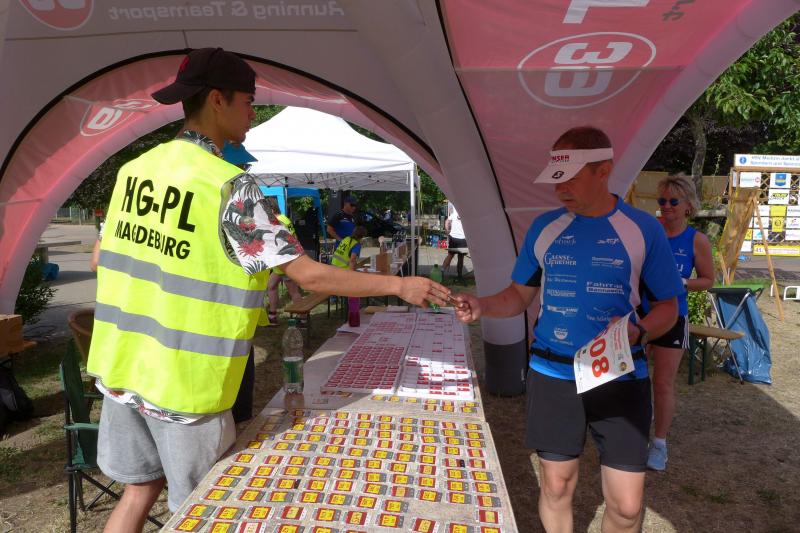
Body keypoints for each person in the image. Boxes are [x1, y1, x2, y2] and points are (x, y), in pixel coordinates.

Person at [86, 47, 449, 533]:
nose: (252, 115)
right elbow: (309, 276)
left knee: (137, 491)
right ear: (217, 99)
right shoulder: (229, 187)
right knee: (202, 515)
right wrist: (399, 285)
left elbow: (100, 257)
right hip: (184, 384)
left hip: (121, 370)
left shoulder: (135, 171)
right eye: (248, 102)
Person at [454, 126, 682, 533]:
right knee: (556, 485)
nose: (560, 190)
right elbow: (518, 296)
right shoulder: (545, 228)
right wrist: (481, 305)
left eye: (570, 179)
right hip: (553, 373)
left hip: (619, 374)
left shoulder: (642, 229)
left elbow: (669, 307)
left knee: (627, 507)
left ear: (603, 171)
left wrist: (641, 332)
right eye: (555, 180)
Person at [646, 175, 714, 471]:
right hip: (640, 315)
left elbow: (708, 280)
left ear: (688, 205)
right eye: (662, 200)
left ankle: (659, 444)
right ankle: (635, 431)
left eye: (673, 201)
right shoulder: (650, 230)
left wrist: (683, 282)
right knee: (633, 379)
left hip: (673, 317)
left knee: (662, 383)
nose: (666, 206)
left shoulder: (696, 240)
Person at [265, 201, 303, 326]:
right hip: (282, 260)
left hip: (285, 259)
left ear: (271, 209)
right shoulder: (283, 218)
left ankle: (302, 317)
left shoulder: (278, 220)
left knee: (293, 290)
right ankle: (272, 315)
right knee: (271, 286)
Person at [441, 205, 467, 281]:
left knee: (450, 255)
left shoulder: (455, 212)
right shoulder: (466, 213)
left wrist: (447, 231)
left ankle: (441, 271)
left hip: (453, 237)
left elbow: (447, 221)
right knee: (460, 258)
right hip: (463, 239)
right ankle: (459, 276)